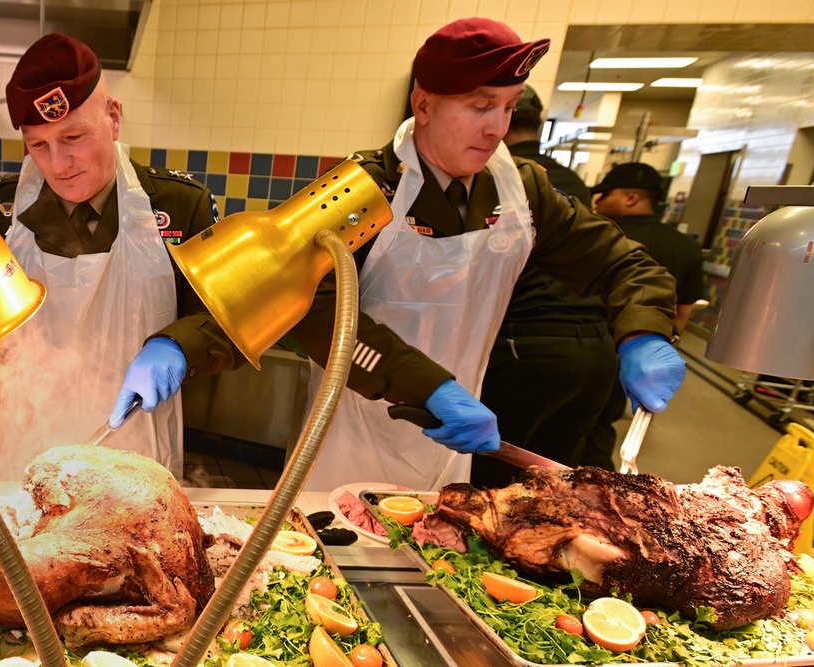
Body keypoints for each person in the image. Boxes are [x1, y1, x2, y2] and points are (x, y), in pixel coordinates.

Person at [282, 17, 686, 492]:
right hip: (352, 425)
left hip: (458, 436)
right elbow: (306, 305)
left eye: (509, 108)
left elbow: (623, 263)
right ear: (424, 104)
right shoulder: (363, 187)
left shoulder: (523, 190)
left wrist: (644, 330)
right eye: (481, 106)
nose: (497, 128)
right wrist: (426, 385)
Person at [0, 33, 244, 480]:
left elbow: (230, 322)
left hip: (134, 442)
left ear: (114, 117)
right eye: (38, 145)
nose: (59, 163)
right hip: (16, 444)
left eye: (74, 137)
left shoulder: (180, 205)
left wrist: (180, 345)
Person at [472, 85, 621, 488]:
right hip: (594, 349)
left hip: (526, 346)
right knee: (555, 484)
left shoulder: (506, 180)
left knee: (489, 483)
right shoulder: (573, 179)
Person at [580, 161, 705, 470]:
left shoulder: (601, 236)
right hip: (641, 356)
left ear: (631, 197)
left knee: (574, 433)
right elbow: (683, 311)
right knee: (602, 430)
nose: (596, 202)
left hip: (591, 351)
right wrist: (661, 346)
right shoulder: (684, 247)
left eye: (604, 193)